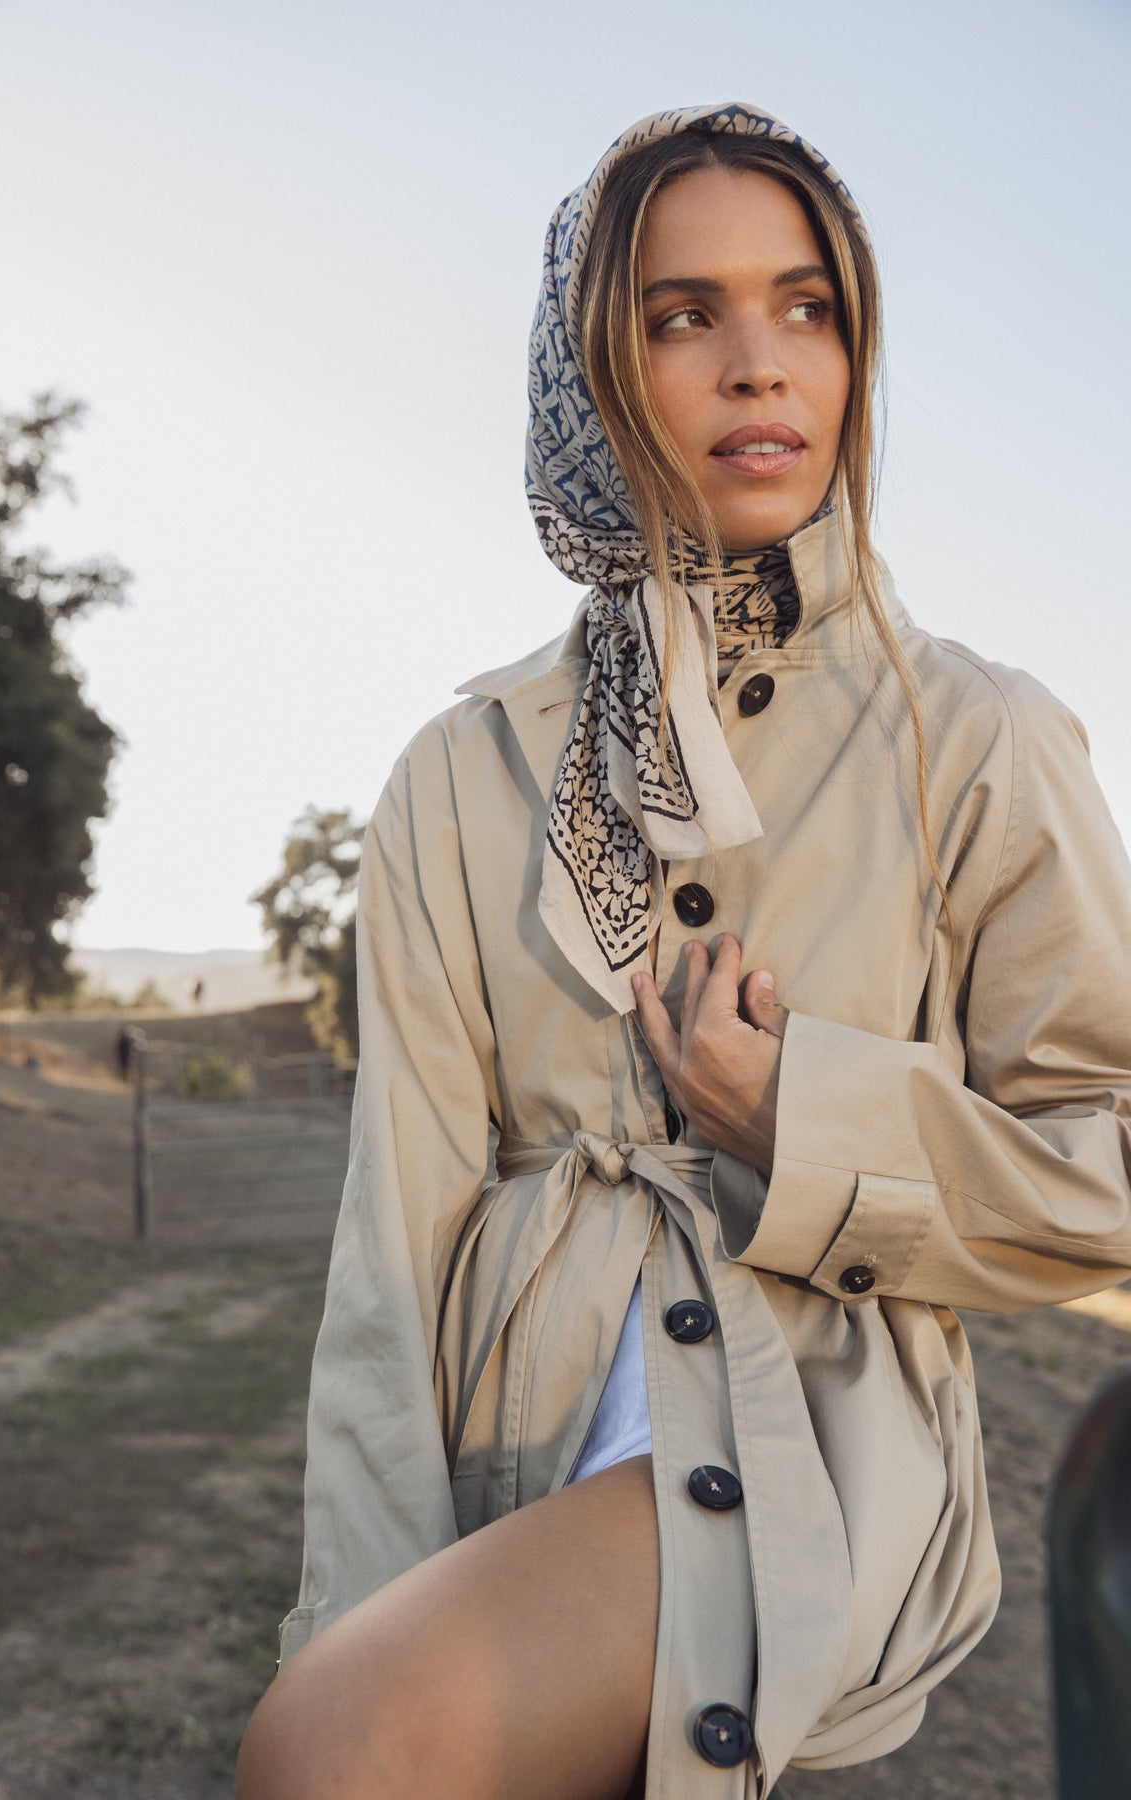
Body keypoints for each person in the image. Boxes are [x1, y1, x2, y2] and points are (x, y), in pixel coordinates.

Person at [237, 103, 1131, 1800]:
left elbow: (1113, 1160)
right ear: (591, 369)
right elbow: (392, 1262)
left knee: (330, 1758)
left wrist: (818, 1124)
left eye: (810, 307)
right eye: (681, 315)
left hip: (810, 1437)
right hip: (522, 1432)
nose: (758, 365)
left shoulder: (980, 738)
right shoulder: (461, 775)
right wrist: (363, 1620)